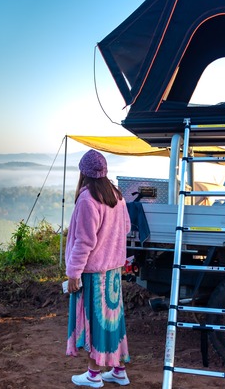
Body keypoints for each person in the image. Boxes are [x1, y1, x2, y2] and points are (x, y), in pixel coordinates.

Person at [65, 149, 132, 387]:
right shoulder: (116, 195)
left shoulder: (87, 199)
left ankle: (94, 375)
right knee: (113, 322)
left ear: (83, 173)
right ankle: (118, 370)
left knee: (94, 323)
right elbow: (125, 228)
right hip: (112, 272)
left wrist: (73, 273)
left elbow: (84, 241)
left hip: (93, 273)